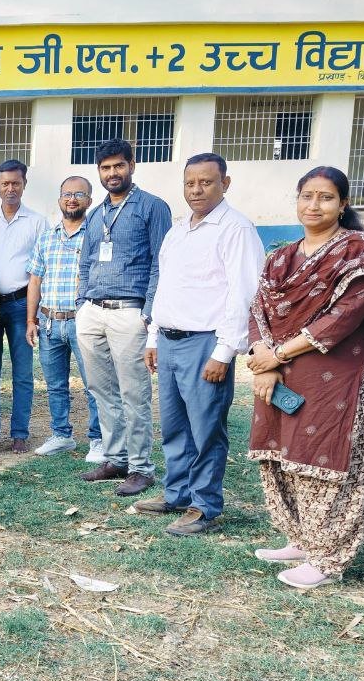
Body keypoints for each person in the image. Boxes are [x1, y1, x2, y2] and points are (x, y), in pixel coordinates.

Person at [246, 166, 364, 590]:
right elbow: (257, 309)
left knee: (324, 458)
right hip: (277, 377)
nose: (314, 205)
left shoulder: (359, 254)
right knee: (281, 454)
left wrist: (276, 353)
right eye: (307, 196)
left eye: (326, 197)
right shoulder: (281, 256)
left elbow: (342, 319)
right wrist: (266, 359)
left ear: (343, 204)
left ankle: (328, 557)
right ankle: (302, 539)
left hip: (334, 377)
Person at [137, 154, 264, 535]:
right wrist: (154, 336)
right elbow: (166, 287)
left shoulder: (236, 229)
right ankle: (175, 493)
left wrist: (223, 352)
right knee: (174, 426)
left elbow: (244, 295)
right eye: (190, 183)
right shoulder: (178, 230)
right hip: (171, 341)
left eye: (206, 182)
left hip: (205, 344)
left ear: (225, 184)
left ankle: (204, 505)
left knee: (206, 429)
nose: (197, 190)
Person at [76, 138, 172, 498]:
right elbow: (85, 262)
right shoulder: (97, 213)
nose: (112, 173)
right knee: (101, 389)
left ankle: (141, 467)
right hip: (93, 312)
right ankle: (115, 458)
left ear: (132, 165)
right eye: (105, 168)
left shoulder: (152, 207)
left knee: (134, 392)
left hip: (130, 312)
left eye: (119, 166)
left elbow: (160, 264)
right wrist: (82, 301)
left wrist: (148, 314)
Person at [0, 160, 47, 454]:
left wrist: (34, 314)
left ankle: (19, 433)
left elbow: (41, 270)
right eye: (5, 183)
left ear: (24, 184)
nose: (10, 189)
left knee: (23, 373)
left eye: (16, 183)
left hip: (20, 306)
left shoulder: (37, 222)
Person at [26, 176, 103, 463]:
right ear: (59, 199)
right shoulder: (46, 237)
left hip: (83, 322)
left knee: (93, 383)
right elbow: (35, 280)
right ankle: (61, 435)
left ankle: (98, 440)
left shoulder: (96, 236)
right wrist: (30, 320)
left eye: (79, 194)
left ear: (89, 201)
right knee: (55, 384)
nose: (72, 199)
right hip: (48, 322)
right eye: (67, 194)